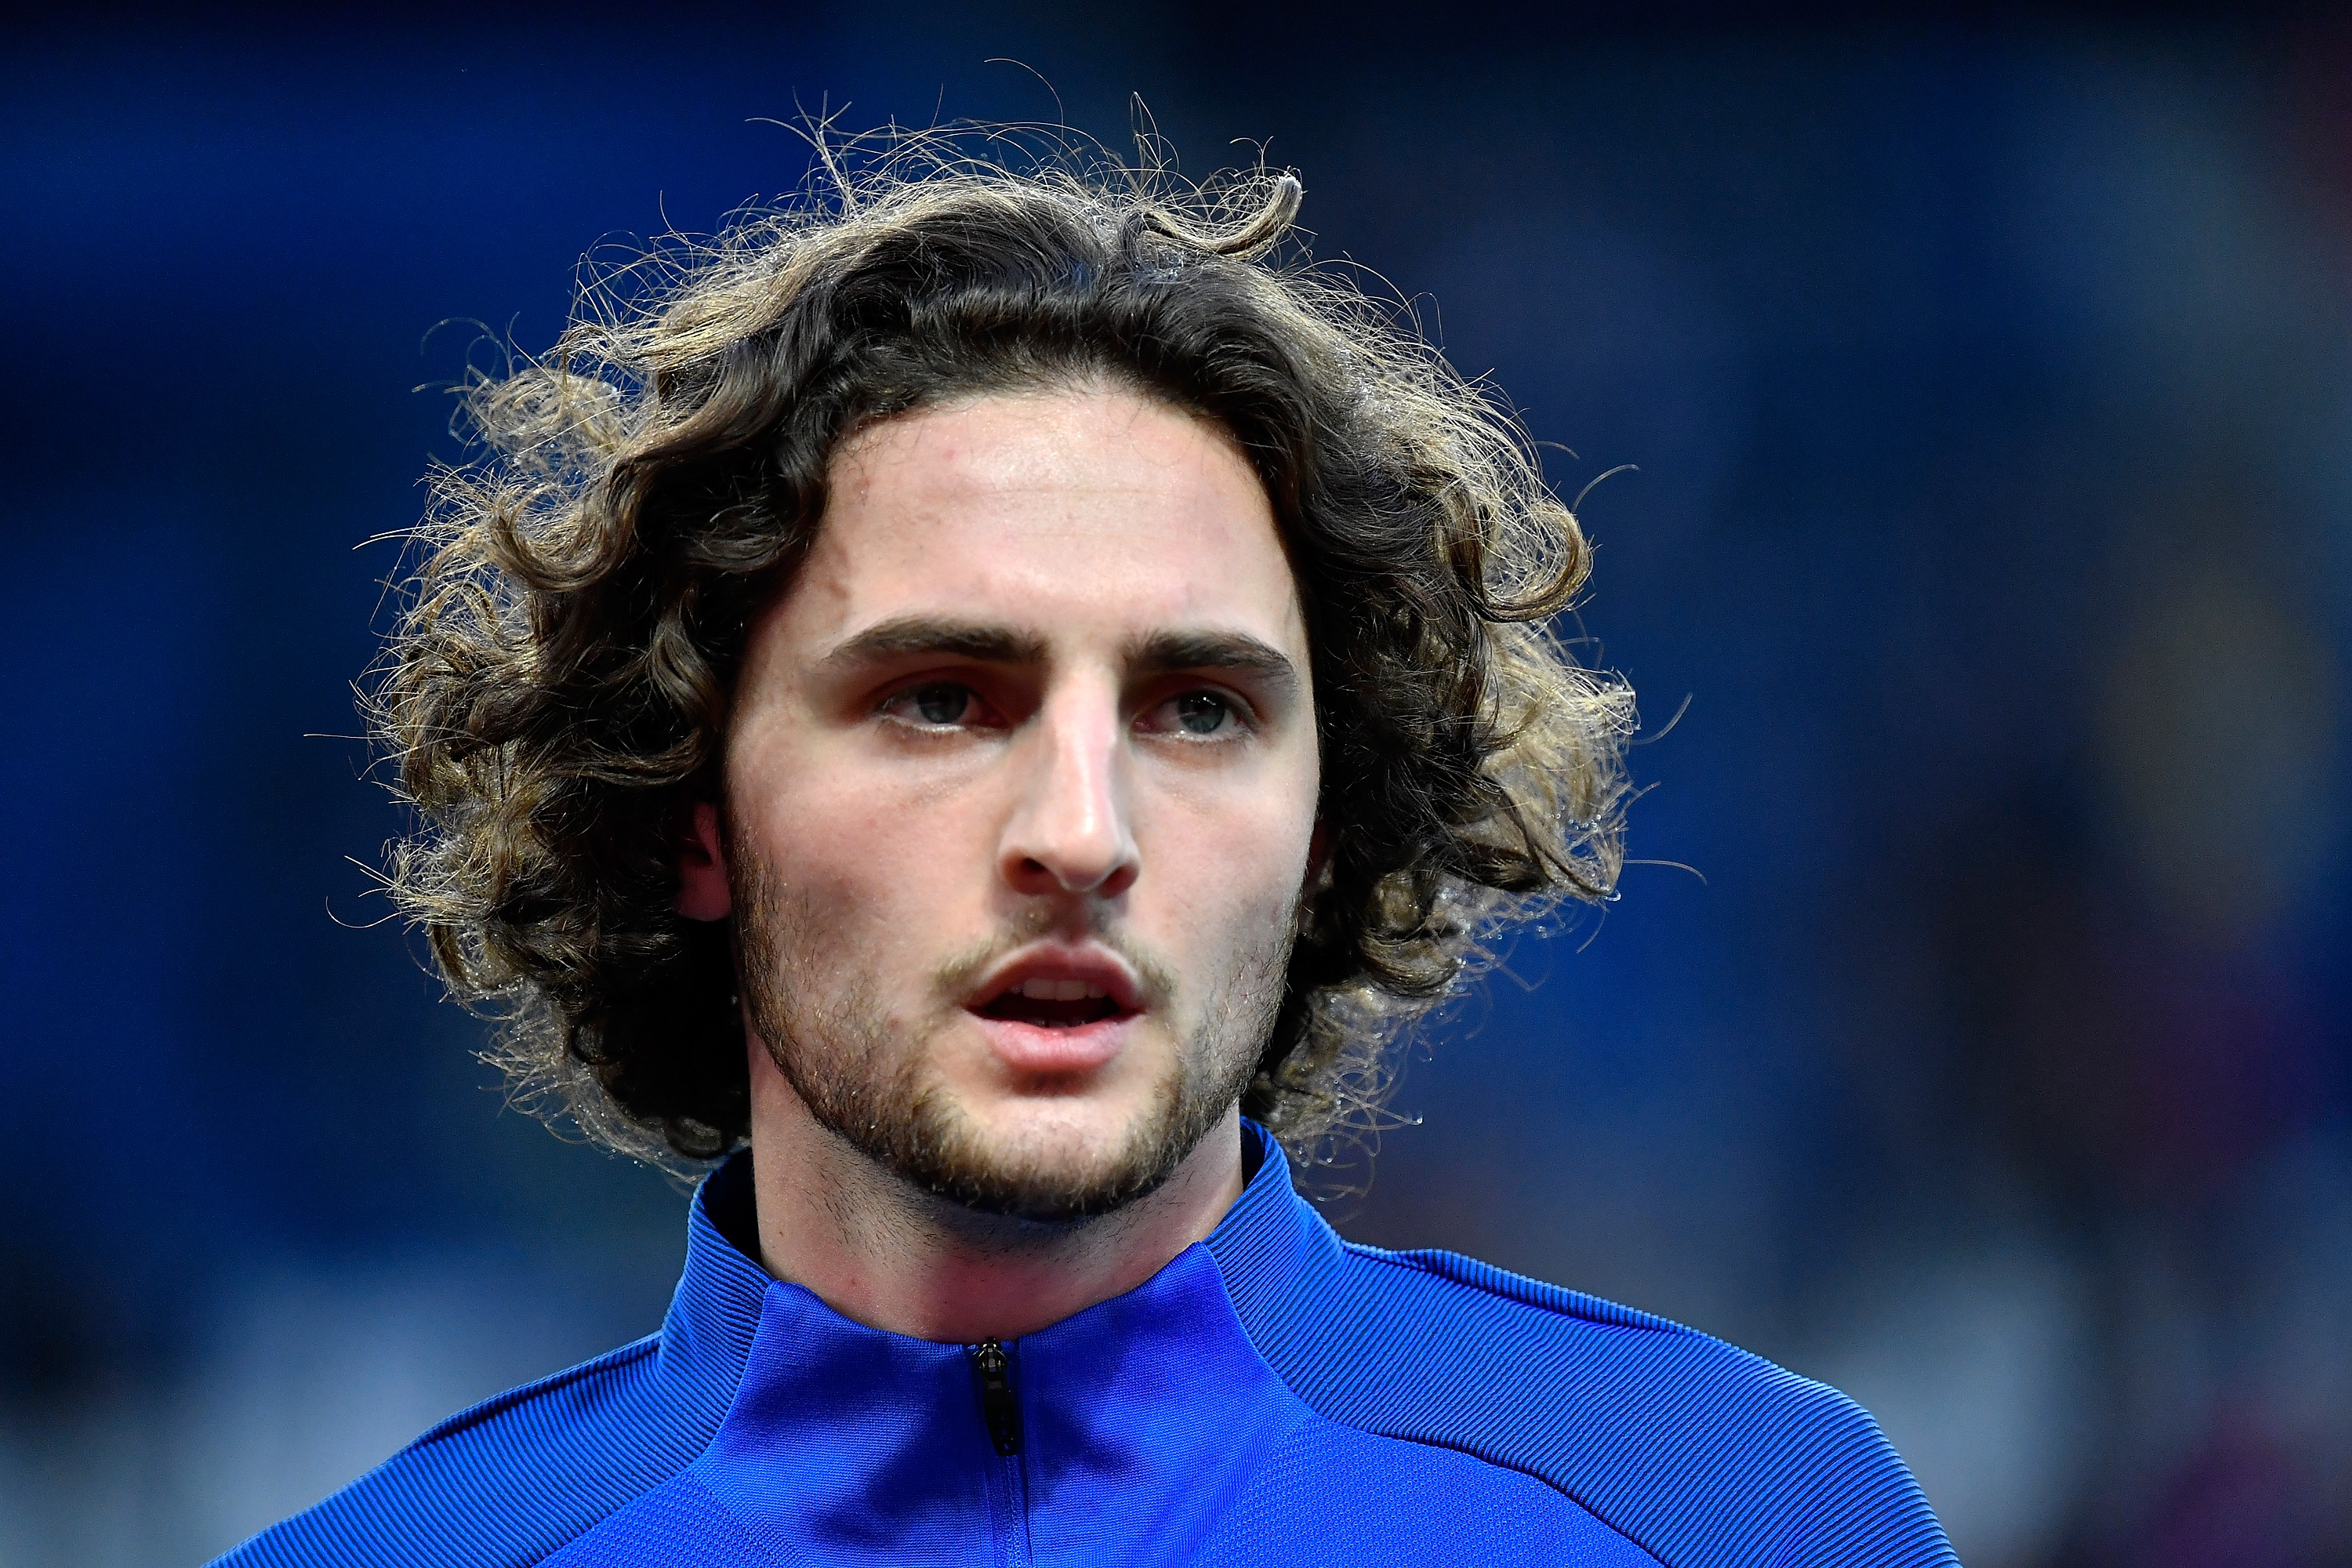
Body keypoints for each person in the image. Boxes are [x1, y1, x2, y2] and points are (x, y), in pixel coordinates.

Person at [217, 139, 1955, 1566]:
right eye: (942, 699)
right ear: (692, 813)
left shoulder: (1741, 1516)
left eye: (1198, 708)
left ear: (1328, 831)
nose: (1080, 834)